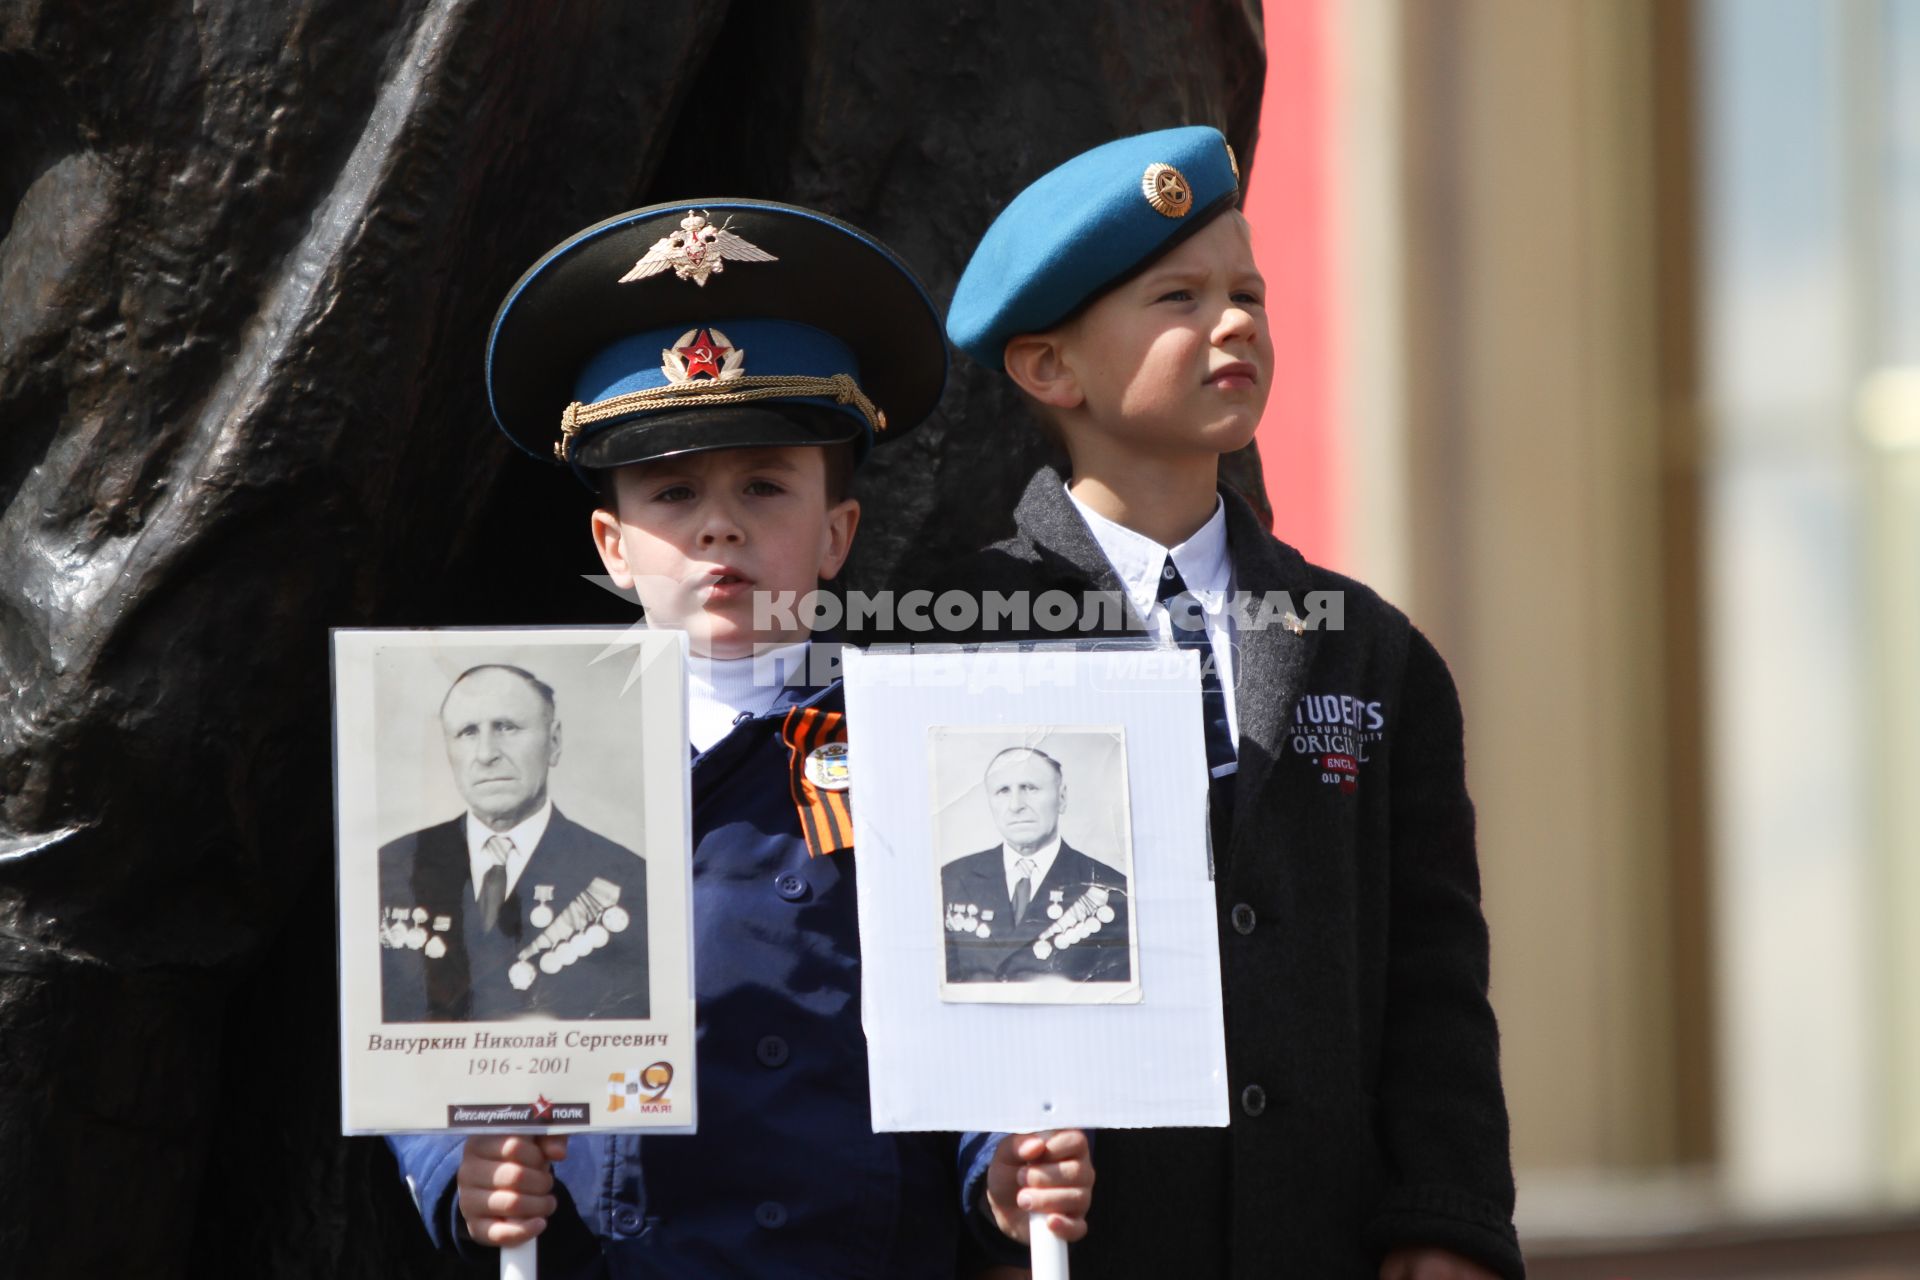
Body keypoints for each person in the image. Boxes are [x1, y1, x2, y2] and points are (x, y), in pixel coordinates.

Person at [384, 200, 1094, 1279]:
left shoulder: (934, 748)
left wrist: (1004, 1161)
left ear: (838, 531)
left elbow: (994, 1014)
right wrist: (461, 1164)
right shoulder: (496, 750)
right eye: (673, 491)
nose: (720, 525)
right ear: (612, 545)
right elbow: (438, 1012)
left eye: (765, 484)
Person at [932, 127, 1524, 1279]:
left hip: (1322, 1241)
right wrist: (976, 1191)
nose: (1237, 320)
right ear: (1051, 369)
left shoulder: (1369, 648)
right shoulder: (961, 627)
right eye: (1179, 297)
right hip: (1078, 1248)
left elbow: (1434, 973)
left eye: (1249, 291)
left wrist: (1443, 1213)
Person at [378, 663, 649, 1022]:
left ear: (553, 742)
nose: (486, 753)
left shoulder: (627, 878)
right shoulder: (392, 868)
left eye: (506, 727)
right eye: (467, 732)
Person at [941, 746, 1130, 985]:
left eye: (1029, 788)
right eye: (1002, 791)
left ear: (1061, 798)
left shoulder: (1113, 888)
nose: (1015, 805)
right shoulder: (952, 879)